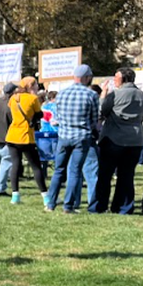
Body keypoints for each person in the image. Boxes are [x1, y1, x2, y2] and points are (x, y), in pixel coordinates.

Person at [89, 67, 143, 214]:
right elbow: (142, 117)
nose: (114, 80)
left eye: (116, 77)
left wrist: (103, 94)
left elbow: (102, 111)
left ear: (123, 79)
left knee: (105, 175)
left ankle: (99, 206)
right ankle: (123, 207)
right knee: (127, 176)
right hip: (135, 139)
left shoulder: (115, 95)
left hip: (113, 138)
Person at [44, 65, 99, 214]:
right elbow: (94, 119)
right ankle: (68, 206)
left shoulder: (62, 94)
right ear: (87, 78)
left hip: (64, 136)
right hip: (81, 137)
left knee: (58, 171)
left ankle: (50, 203)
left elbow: (58, 117)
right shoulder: (91, 95)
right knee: (74, 171)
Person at [5, 76, 47, 205]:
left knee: (16, 165)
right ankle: (46, 196)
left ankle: (15, 195)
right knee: (36, 167)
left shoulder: (13, 98)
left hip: (12, 135)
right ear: (30, 86)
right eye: (35, 85)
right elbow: (40, 113)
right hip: (26, 136)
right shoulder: (33, 98)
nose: (37, 87)